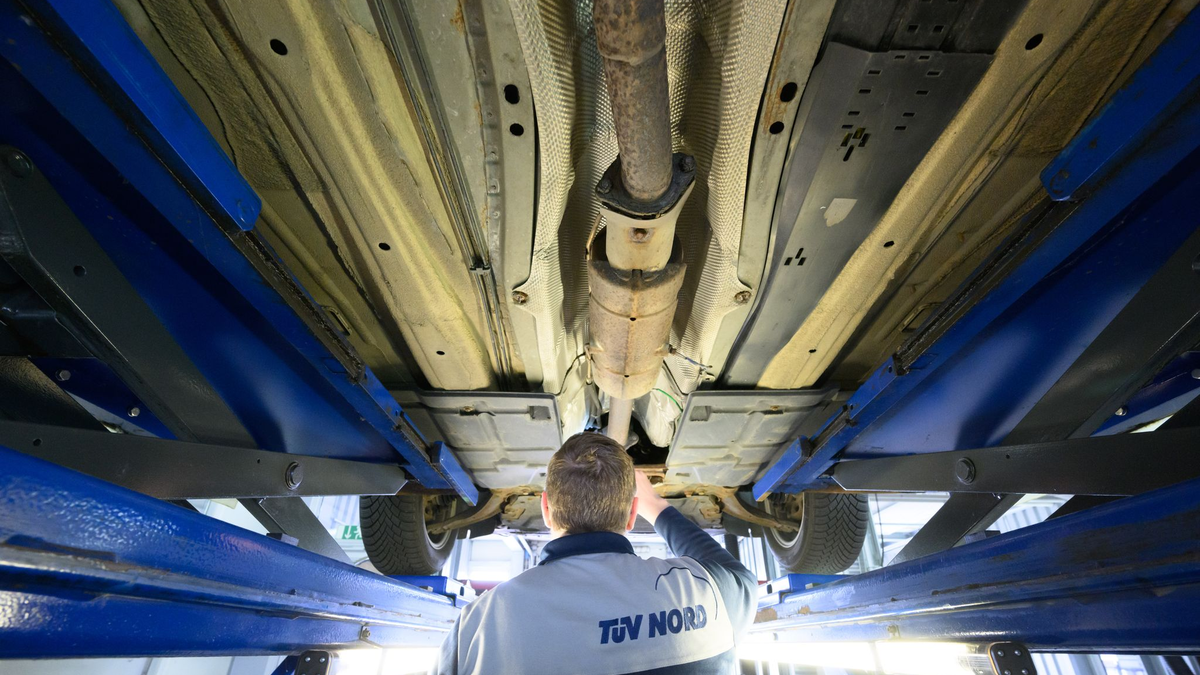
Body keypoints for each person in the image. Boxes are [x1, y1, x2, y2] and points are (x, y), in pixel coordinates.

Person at [432, 432, 758, 674]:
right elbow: (739, 578)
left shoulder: (478, 623)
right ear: (632, 515)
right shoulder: (698, 591)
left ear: (546, 509)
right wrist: (657, 507)